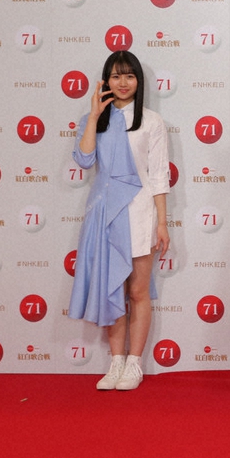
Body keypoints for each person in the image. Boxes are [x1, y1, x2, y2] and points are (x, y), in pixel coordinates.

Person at [69, 51, 170, 391]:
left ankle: (134, 363)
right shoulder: (94, 118)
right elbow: (84, 159)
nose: (123, 82)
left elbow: (158, 176)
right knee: (111, 287)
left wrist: (162, 222)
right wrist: (94, 115)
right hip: (104, 214)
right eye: (116, 76)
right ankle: (115, 362)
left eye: (129, 76)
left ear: (139, 81)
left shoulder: (152, 122)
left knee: (138, 291)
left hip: (140, 212)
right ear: (106, 80)